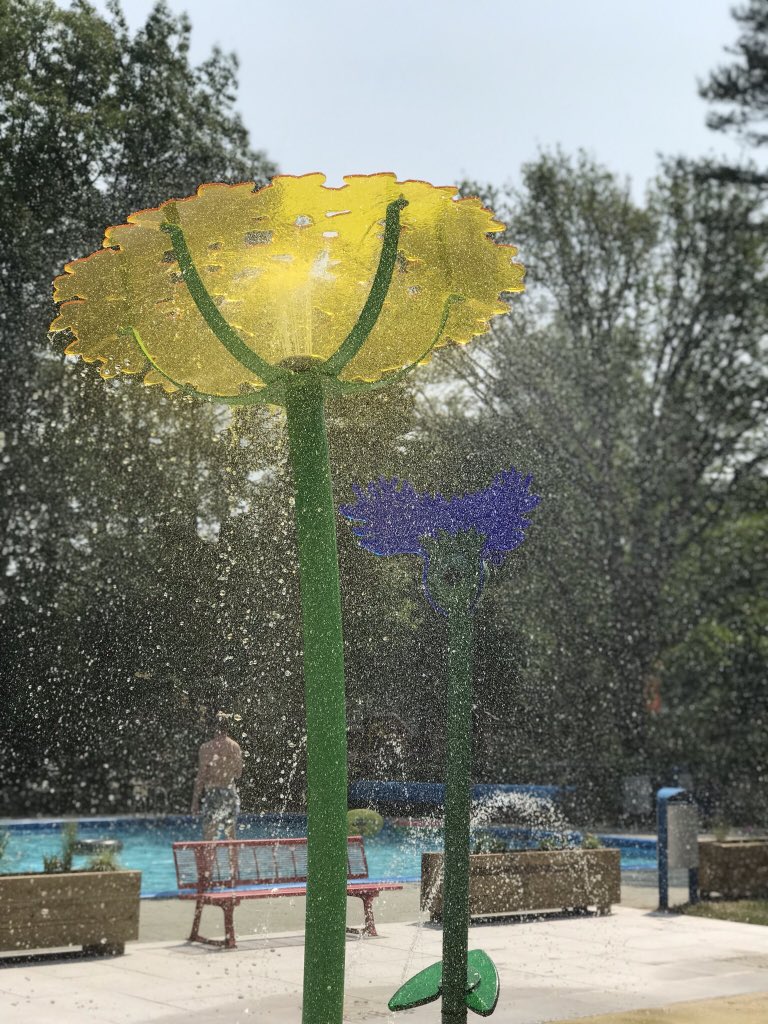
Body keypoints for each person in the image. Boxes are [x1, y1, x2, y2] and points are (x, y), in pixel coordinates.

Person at [191, 711, 243, 840]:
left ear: (213, 727)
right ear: (227, 727)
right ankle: (233, 861)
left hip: (212, 793)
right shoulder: (235, 747)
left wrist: (195, 802)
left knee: (209, 836)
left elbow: (201, 777)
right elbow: (238, 774)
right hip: (229, 793)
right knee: (231, 836)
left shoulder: (206, 748)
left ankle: (209, 861)